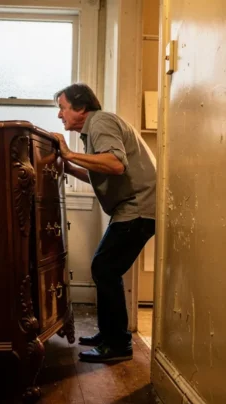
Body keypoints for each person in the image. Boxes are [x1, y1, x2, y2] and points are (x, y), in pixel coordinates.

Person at [51, 83, 157, 363]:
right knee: (106, 269)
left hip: (138, 208)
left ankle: (118, 345)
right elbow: (105, 173)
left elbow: (116, 164)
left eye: (62, 108)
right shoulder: (95, 128)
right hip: (132, 208)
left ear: (81, 108)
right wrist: (71, 167)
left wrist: (70, 154)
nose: (60, 116)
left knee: (104, 268)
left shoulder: (100, 122)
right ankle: (110, 335)